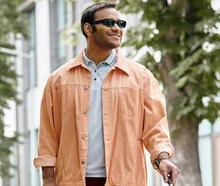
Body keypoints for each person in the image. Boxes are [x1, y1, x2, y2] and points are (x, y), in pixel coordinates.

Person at [33, 2, 179, 186]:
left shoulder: (141, 77)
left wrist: (163, 158)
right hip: (72, 180)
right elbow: (48, 134)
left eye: (121, 24)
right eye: (109, 23)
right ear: (88, 29)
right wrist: (48, 179)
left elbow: (155, 127)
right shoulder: (58, 80)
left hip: (125, 179)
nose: (117, 28)